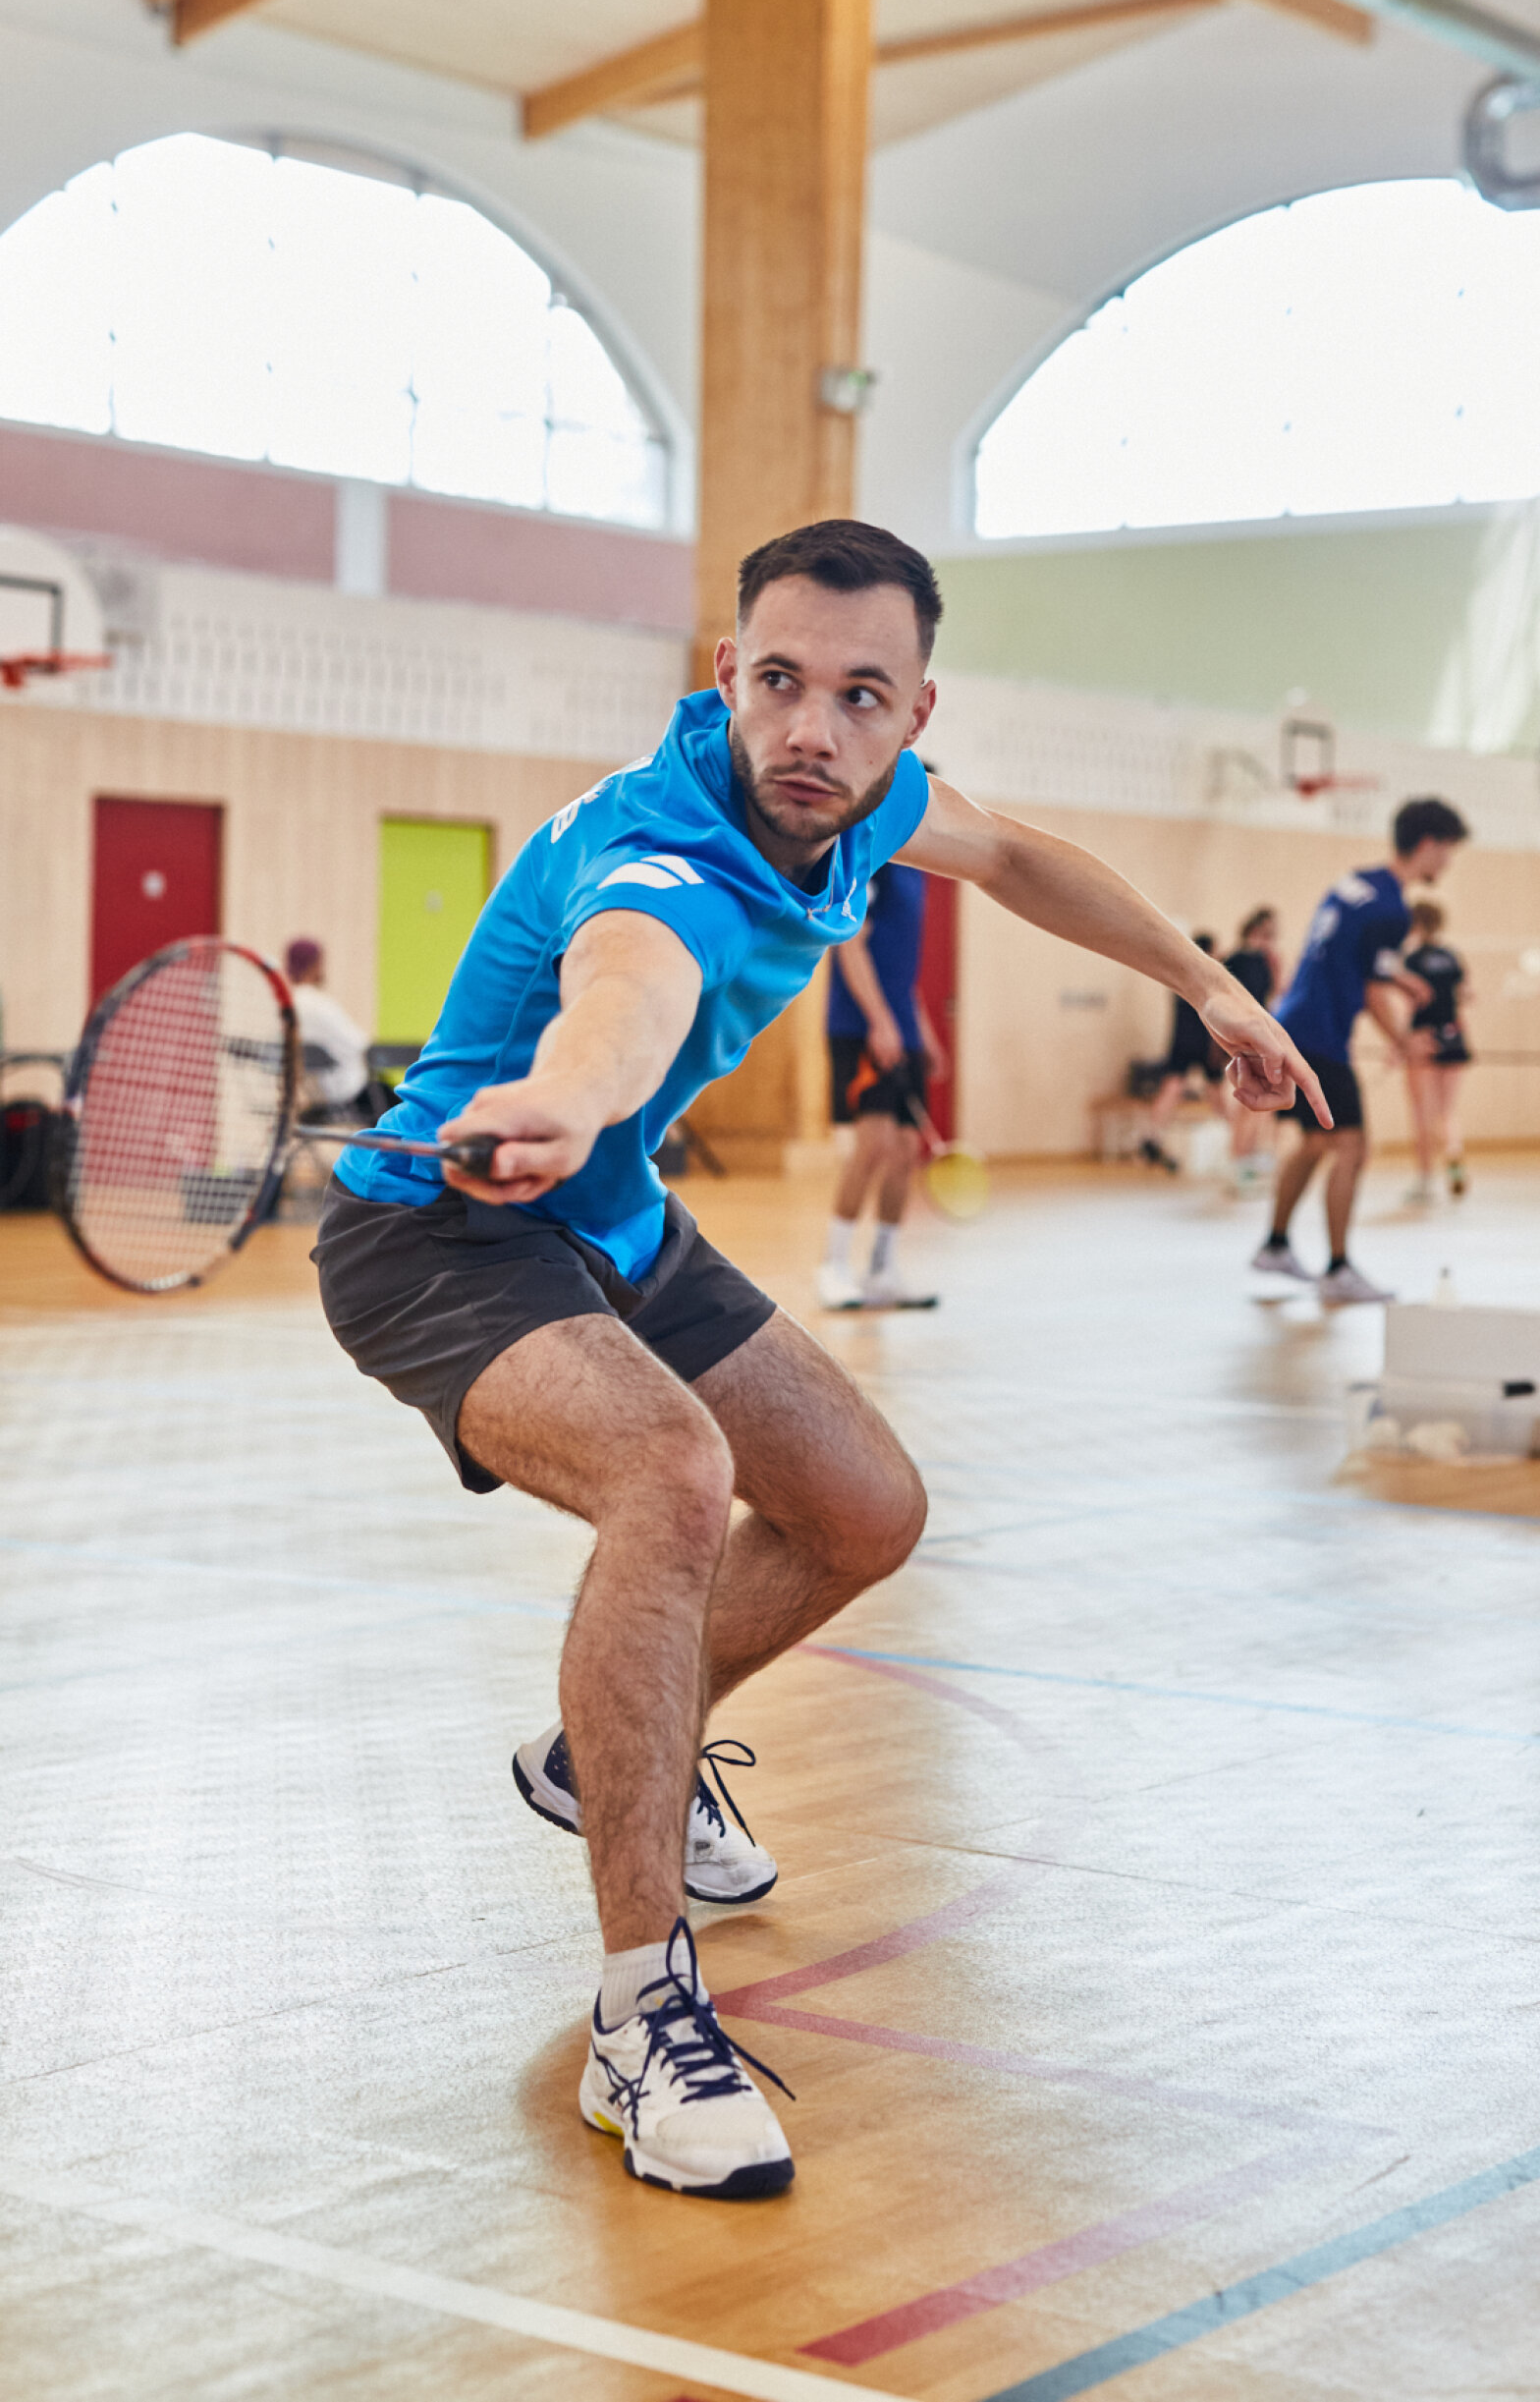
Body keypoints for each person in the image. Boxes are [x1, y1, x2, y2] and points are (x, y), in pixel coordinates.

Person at [313, 518, 1328, 2206]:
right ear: (728, 674)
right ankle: (644, 2016)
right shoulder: (662, 856)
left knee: (865, 1508)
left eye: (860, 695)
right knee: (672, 1474)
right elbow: (625, 992)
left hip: (612, 1216)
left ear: (912, 714)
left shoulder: (868, 800)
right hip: (442, 1229)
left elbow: (1015, 857)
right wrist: (564, 1093)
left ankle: (599, 1753)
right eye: (778, 680)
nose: (811, 726)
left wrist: (1208, 983)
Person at [1252, 798, 1468, 1305]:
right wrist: (1402, 1041)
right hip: (1322, 1035)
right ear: (1428, 844)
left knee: (1314, 1143)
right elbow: (1370, 988)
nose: (1447, 863)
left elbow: (1356, 959)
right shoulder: (1393, 910)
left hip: (1293, 1022)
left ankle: (1275, 1246)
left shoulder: (1355, 884)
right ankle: (1338, 1268)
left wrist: (1401, 977)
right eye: (1447, 851)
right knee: (1351, 1147)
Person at [818, 854, 950, 1311]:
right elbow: (850, 945)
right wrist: (879, 1020)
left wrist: (922, 1033)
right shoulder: (874, 863)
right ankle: (833, 1268)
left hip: (901, 1029)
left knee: (906, 1150)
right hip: (859, 1027)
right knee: (873, 1145)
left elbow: (899, 970)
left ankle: (882, 1269)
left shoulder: (919, 872)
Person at [1400, 900, 1473, 1203]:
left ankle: (1425, 1180)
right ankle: (1454, 1158)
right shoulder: (1452, 957)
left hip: (1423, 1039)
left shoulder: (1412, 960)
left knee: (1422, 1113)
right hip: (1454, 1038)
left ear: (1415, 924)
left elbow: (1410, 1003)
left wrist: (1399, 1043)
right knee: (1447, 1111)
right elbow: (1466, 994)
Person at [1138, 932, 1227, 1171]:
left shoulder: (1178, 975)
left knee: (1173, 1087)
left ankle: (1152, 1135)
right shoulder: (1209, 977)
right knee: (1216, 1092)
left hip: (1180, 1041)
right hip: (1203, 1042)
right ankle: (1229, 1138)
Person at [1224, 909, 1284, 1196]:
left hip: (1264, 1032)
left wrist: (1277, 967)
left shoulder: (1266, 961)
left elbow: (1277, 994)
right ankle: (1239, 1163)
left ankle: (1248, 1161)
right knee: (1248, 1102)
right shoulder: (1236, 959)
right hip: (1243, 1036)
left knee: (1263, 1104)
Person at [283, 937, 374, 1118]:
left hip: (312, 1094)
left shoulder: (287, 1005)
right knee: (401, 1107)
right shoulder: (318, 1004)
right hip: (346, 1091)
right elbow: (361, 1044)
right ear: (314, 965)